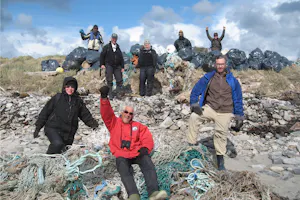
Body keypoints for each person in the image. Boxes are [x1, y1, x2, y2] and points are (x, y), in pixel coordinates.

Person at [99, 86, 168, 200]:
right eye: (126, 112)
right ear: (121, 112)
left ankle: (154, 193)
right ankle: (134, 195)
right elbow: (106, 114)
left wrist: (145, 148)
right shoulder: (114, 123)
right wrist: (104, 98)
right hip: (121, 154)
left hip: (136, 153)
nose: (128, 115)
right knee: (123, 168)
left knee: (147, 161)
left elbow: (146, 137)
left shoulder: (137, 126)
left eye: (131, 113)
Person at [188, 55, 244, 170]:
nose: (220, 66)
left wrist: (239, 116)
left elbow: (238, 99)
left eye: (222, 64)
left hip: (225, 111)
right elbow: (196, 89)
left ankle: (220, 161)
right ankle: (190, 147)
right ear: (215, 64)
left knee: (220, 134)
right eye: (218, 64)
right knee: (194, 117)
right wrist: (194, 104)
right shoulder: (208, 77)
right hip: (210, 108)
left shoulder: (233, 81)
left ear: (226, 65)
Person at [33, 77, 99, 154]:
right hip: (53, 128)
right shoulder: (57, 98)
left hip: (69, 133)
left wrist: (94, 125)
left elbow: (85, 116)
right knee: (57, 144)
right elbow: (45, 112)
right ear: (64, 87)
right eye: (68, 86)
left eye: (72, 87)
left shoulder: (78, 101)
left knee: (63, 153)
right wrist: (38, 127)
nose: (70, 89)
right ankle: (47, 160)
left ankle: (56, 164)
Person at [100, 33, 125, 100]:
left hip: (117, 66)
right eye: (113, 38)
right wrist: (102, 64)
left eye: (115, 38)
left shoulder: (118, 48)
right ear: (111, 38)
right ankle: (110, 95)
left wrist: (122, 67)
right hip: (109, 65)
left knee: (119, 80)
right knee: (109, 80)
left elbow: (121, 58)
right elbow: (102, 56)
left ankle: (118, 94)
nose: (114, 39)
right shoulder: (106, 47)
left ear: (116, 39)